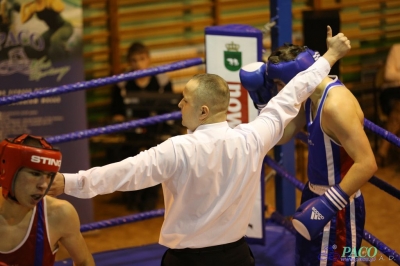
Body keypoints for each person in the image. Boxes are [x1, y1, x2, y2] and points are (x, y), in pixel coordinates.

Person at [48, 26, 350, 266]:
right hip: (236, 257)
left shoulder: (175, 149)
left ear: (203, 111)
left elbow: (121, 174)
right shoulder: (254, 138)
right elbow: (292, 93)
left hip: (186, 260)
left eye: (186, 100)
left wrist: (68, 181)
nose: (179, 104)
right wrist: (330, 55)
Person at [245, 42, 377, 265]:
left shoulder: (335, 106)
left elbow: (367, 164)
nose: (279, 90)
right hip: (314, 194)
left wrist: (327, 206)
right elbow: (283, 135)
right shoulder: (309, 96)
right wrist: (262, 103)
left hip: (338, 204)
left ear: (296, 78)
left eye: (278, 84)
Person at [0, 134, 94, 266]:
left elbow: (84, 262)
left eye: (49, 175)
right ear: (9, 170)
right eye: (35, 173)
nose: (43, 184)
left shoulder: (59, 214)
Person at [109, 41, 174, 211]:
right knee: (127, 159)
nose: (138, 64)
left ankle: (150, 198)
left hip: (157, 133)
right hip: (131, 135)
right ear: (129, 62)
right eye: (134, 60)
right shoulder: (122, 83)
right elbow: (116, 113)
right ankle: (132, 197)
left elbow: (170, 110)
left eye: (142, 59)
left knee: (155, 159)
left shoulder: (162, 81)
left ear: (149, 60)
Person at [376, 43, 400, 167]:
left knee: (398, 111)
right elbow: (388, 75)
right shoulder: (396, 49)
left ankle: (382, 151)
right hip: (391, 93)